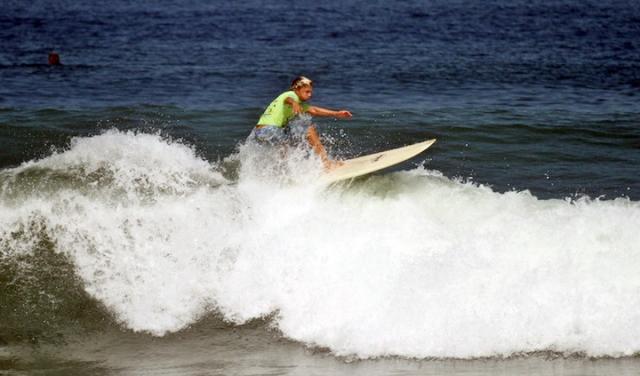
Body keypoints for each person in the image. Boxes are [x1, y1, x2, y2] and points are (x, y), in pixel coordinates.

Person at [251, 76, 352, 168]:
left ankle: (284, 173)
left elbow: (314, 110)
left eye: (311, 92)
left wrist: (337, 113)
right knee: (308, 129)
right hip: (269, 130)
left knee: (291, 143)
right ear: (297, 89)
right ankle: (326, 163)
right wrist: (294, 103)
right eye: (307, 92)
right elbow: (288, 99)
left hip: (259, 132)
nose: (310, 95)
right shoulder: (291, 95)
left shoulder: (299, 103)